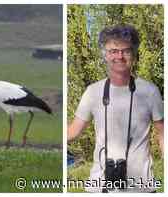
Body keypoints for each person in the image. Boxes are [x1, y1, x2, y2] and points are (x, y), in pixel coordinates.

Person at [68, 24, 164, 192]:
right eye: (113, 51)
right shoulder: (92, 92)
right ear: (104, 55)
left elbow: (163, 135)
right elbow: (73, 132)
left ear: (134, 54)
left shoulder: (150, 92)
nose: (119, 56)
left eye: (126, 50)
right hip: (100, 187)